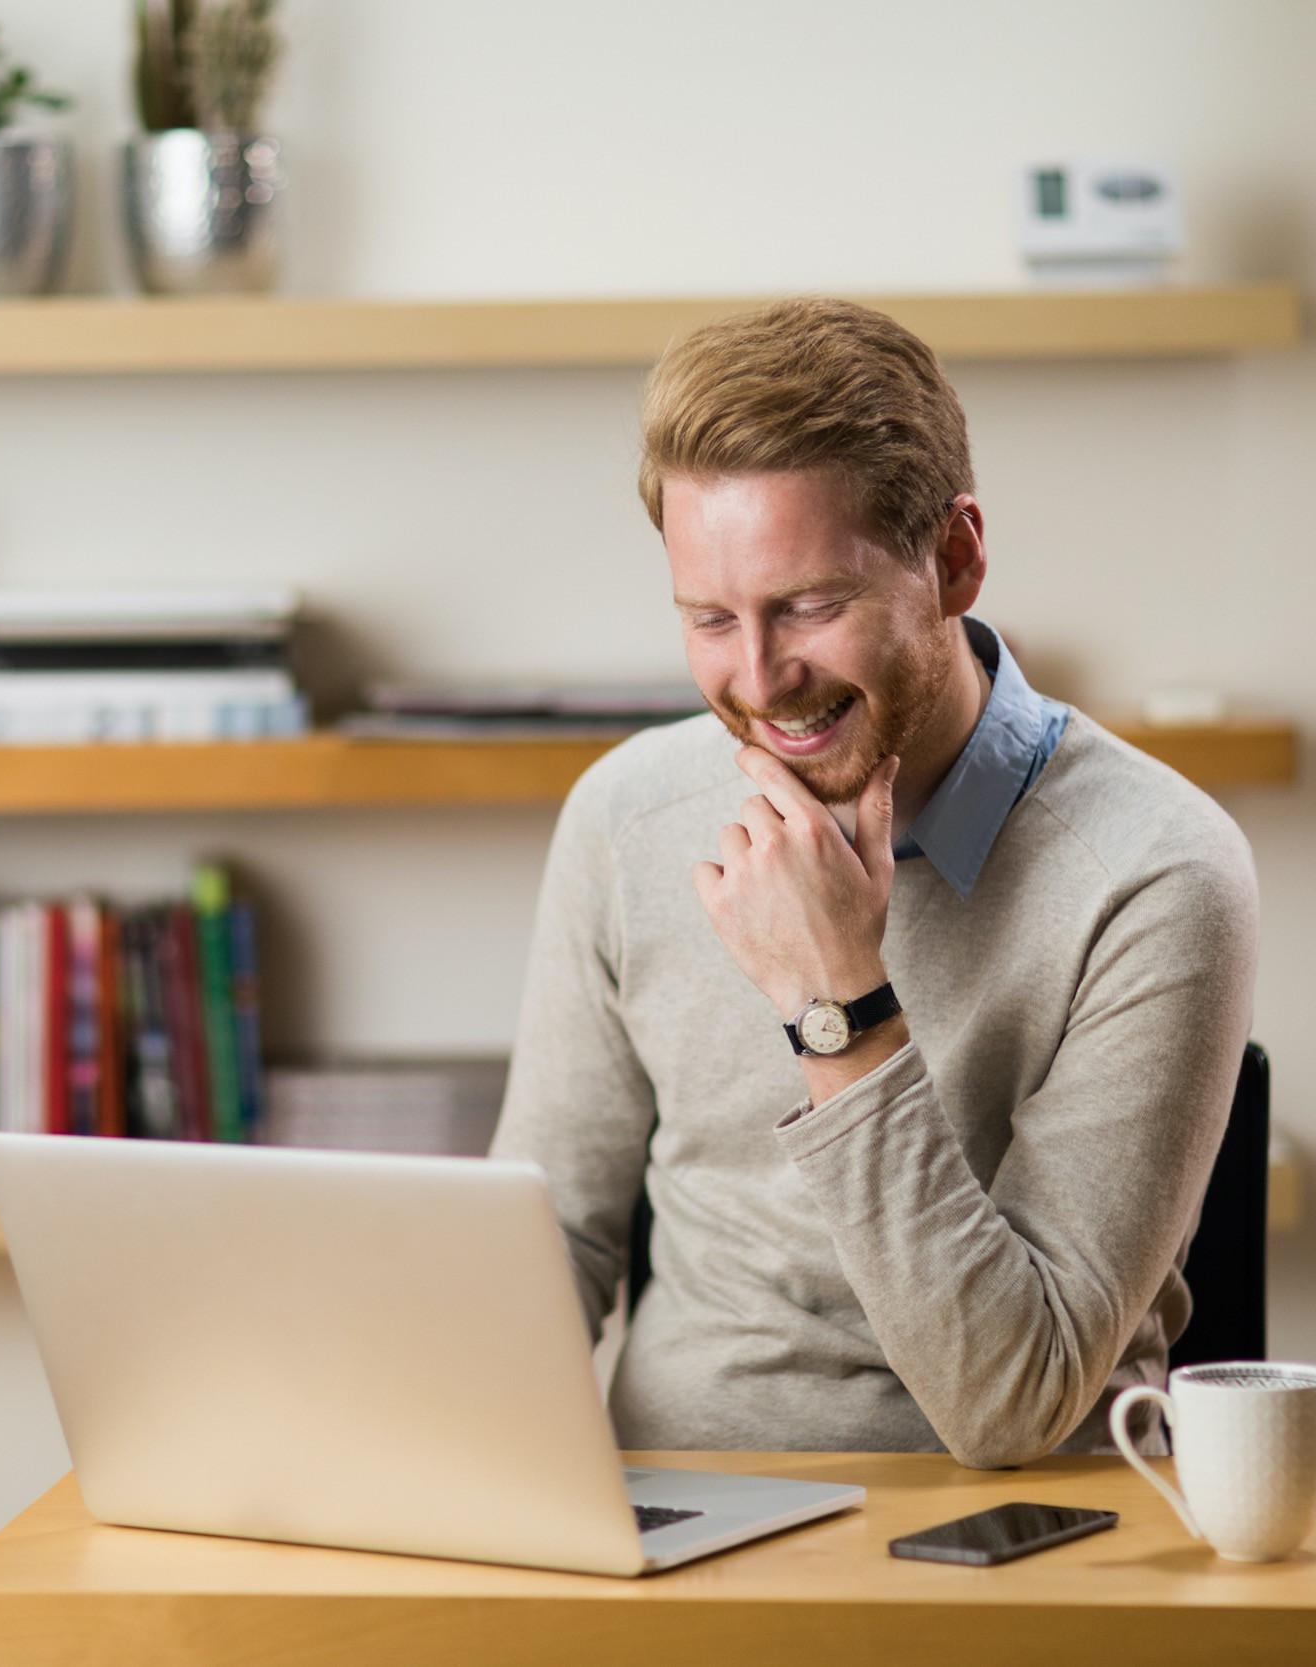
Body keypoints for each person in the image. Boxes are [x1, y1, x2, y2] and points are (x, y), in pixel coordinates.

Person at [489, 297, 1258, 1467]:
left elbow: (1014, 1397)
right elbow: (545, 1245)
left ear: (953, 558)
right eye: (708, 617)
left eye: (810, 605)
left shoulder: (1157, 870)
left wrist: (837, 996)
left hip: (1017, 1537)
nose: (758, 678)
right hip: (674, 1527)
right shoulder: (622, 816)